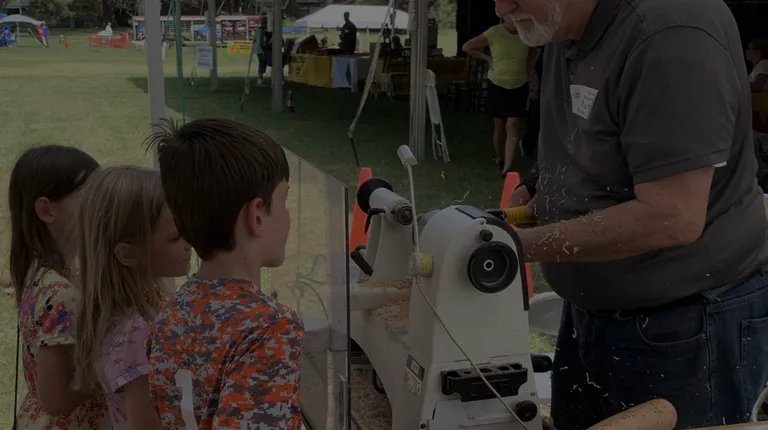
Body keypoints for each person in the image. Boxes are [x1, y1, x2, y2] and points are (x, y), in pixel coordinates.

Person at [497, 0, 768, 427]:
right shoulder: (563, 25)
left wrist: (511, 248)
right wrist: (538, 187)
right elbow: (590, 132)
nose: (500, 8)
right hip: (595, 310)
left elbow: (672, 216)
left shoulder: (671, 33)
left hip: (684, 325)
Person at [144, 118, 304, 429]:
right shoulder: (269, 328)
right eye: (284, 200)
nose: (287, 216)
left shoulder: (172, 312)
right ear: (257, 215)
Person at [73, 166, 191, 430]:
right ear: (127, 253)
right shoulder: (137, 337)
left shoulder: (145, 307)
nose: (189, 243)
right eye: (176, 237)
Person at [9, 145, 108, 429]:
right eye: (91, 197)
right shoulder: (60, 293)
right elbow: (55, 399)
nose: (102, 207)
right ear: (46, 210)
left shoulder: (41, 274)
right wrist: (115, 359)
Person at [462, 19, 539, 176]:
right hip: (497, 83)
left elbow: (535, 50)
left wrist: (529, 68)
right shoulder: (494, 32)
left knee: (513, 125)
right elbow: (468, 47)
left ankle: (508, 167)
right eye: (512, 18)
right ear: (505, 18)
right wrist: (488, 59)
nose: (515, 21)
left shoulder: (525, 32)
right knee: (499, 125)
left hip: (519, 84)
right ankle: (500, 158)